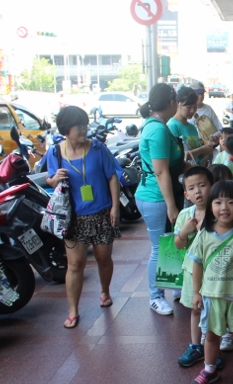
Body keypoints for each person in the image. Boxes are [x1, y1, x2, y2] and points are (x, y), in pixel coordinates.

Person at [46, 106, 120, 329]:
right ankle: (73, 310)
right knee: (75, 264)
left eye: (84, 124)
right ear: (66, 130)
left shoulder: (98, 148)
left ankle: (105, 291)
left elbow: (112, 177)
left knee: (103, 258)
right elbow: (50, 181)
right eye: (78, 126)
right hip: (73, 217)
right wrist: (54, 179)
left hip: (101, 212)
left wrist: (115, 207)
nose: (83, 129)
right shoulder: (56, 153)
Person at [188, 181, 233, 384]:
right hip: (211, 295)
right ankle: (209, 369)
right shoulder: (204, 233)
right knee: (211, 335)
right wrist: (197, 292)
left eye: (231, 202)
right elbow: (197, 264)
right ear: (210, 206)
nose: (224, 207)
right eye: (218, 202)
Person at [135, 83, 185, 316]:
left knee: (170, 243)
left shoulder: (158, 126)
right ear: (171, 103)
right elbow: (161, 171)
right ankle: (155, 297)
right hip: (156, 197)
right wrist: (171, 205)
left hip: (160, 195)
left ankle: (175, 287)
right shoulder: (156, 130)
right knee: (159, 248)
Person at [175, 167, 218, 367]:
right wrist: (184, 232)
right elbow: (178, 244)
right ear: (186, 194)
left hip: (214, 272)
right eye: (192, 188)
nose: (198, 191)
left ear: (212, 186)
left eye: (202, 185)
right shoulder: (185, 214)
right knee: (195, 309)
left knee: (214, 310)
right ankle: (195, 346)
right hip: (192, 271)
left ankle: (212, 347)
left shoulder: (219, 211)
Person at [169, 87, 217, 167]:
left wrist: (209, 147)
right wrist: (202, 149)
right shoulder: (172, 126)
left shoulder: (192, 127)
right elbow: (177, 156)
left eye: (195, 107)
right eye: (188, 107)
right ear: (179, 104)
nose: (192, 111)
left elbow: (197, 158)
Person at [188, 81, 223, 147]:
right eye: (197, 93)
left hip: (208, 146)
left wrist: (213, 137)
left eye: (202, 93)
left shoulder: (208, 109)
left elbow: (219, 129)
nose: (200, 96)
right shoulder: (186, 110)